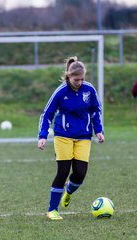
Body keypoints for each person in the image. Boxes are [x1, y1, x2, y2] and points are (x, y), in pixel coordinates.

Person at [38, 56, 105, 220]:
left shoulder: (89, 90)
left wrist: (99, 130)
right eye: (76, 79)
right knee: (63, 172)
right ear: (69, 76)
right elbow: (47, 114)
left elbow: (95, 110)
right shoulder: (61, 92)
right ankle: (52, 210)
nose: (80, 82)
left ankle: (68, 192)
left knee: (80, 173)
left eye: (82, 79)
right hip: (63, 136)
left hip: (84, 136)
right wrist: (42, 136)